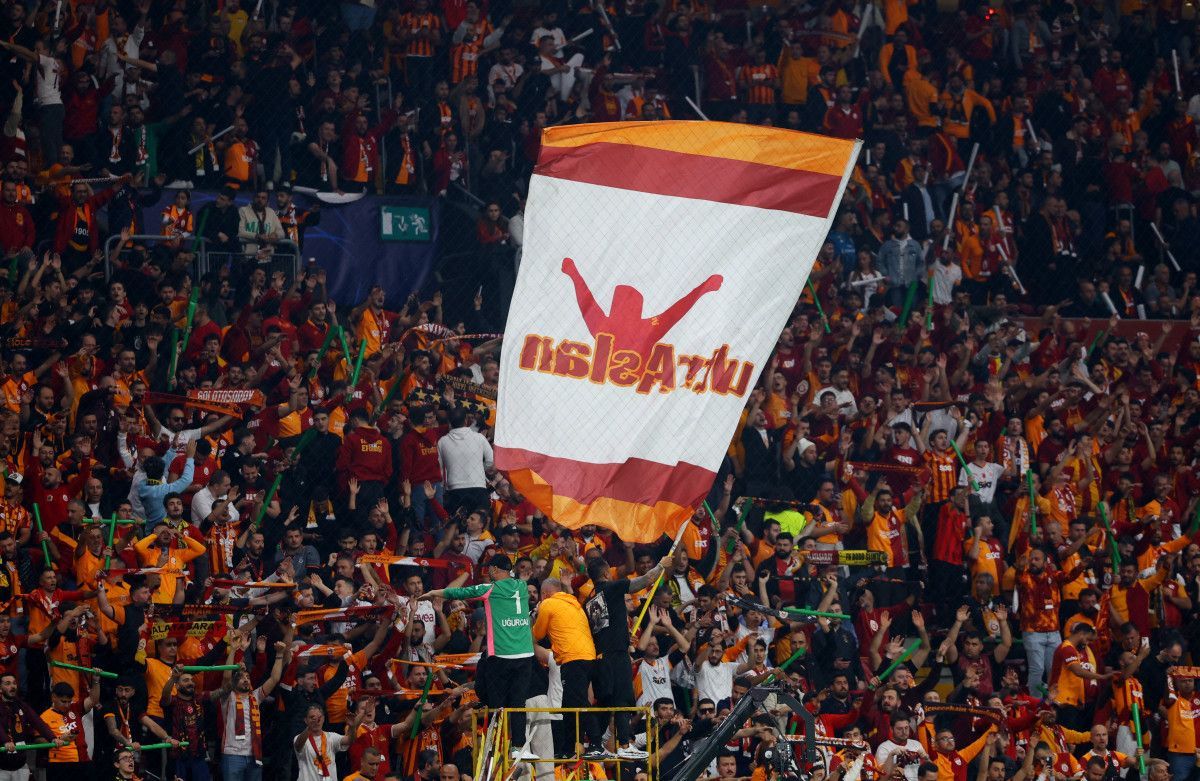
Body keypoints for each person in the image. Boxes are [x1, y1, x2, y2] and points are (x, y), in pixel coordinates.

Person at [420, 555, 535, 760]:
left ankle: (496, 744)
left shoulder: (490, 589)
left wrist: (433, 593)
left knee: (497, 704)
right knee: (518, 703)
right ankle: (519, 747)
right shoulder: (522, 586)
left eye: (489, 569)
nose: (488, 572)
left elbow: (459, 592)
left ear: (494, 569)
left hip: (502, 655)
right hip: (525, 654)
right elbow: (519, 579)